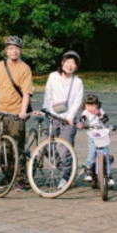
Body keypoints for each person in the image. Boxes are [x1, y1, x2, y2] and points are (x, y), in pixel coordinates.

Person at [0, 35, 33, 189]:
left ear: (20, 51)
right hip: (1, 111)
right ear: (6, 51)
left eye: (16, 48)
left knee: (17, 147)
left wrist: (23, 111)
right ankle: (7, 176)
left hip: (16, 113)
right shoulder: (0, 65)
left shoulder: (25, 68)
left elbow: (26, 93)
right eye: (11, 48)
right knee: (3, 147)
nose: (14, 51)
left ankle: (20, 179)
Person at [42, 50, 84, 189]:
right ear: (62, 63)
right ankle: (66, 170)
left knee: (65, 149)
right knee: (46, 146)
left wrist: (70, 117)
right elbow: (48, 94)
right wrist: (45, 110)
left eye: (73, 63)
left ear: (76, 66)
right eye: (68, 62)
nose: (70, 65)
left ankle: (66, 178)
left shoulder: (77, 82)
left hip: (68, 120)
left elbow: (78, 101)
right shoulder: (53, 76)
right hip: (52, 116)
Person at [78, 94, 114, 187]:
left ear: (97, 105)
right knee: (92, 151)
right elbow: (82, 119)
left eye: (93, 105)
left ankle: (109, 175)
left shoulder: (100, 111)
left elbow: (106, 119)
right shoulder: (85, 112)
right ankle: (89, 170)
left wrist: (99, 114)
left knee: (106, 153)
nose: (90, 107)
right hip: (92, 134)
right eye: (88, 105)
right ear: (85, 105)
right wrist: (82, 124)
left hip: (102, 134)